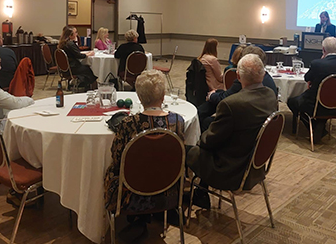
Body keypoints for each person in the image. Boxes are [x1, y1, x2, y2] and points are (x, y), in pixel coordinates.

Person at [187, 54, 278, 209]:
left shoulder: (231, 104)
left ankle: (189, 196)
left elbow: (208, 141)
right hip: (255, 167)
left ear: (238, 76)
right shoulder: (271, 96)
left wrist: (198, 137)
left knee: (184, 150)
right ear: (263, 74)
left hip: (230, 169)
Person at [104, 69, 184, 233]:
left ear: (139, 97)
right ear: (163, 96)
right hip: (169, 192)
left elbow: (117, 159)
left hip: (129, 196)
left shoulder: (128, 124)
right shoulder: (178, 121)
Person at [198, 45, 278, 132]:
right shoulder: (268, 83)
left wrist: (212, 96)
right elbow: (231, 94)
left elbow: (227, 99)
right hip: (259, 124)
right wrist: (216, 92)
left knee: (207, 121)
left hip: (244, 127)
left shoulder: (247, 79)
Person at [287, 37, 336, 142]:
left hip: (315, 105)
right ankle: (319, 126)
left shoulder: (318, 63)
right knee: (323, 102)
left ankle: (315, 127)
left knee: (292, 101)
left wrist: (322, 60)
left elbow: (307, 78)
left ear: (323, 49)